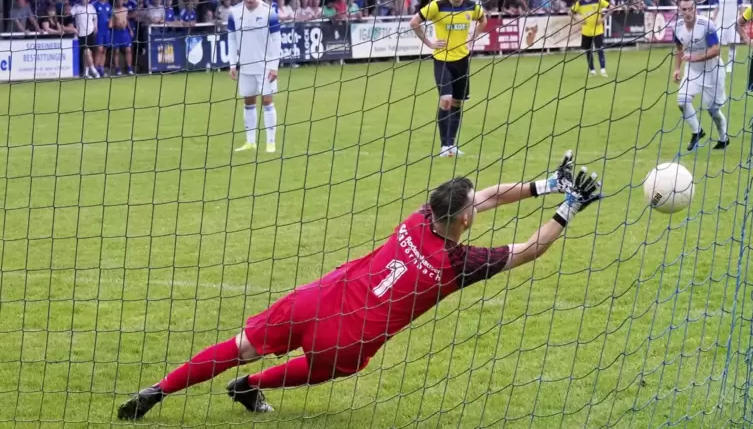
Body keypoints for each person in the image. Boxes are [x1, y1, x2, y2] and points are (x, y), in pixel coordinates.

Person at [116, 150, 602, 420]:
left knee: (239, 344)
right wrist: (569, 205)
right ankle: (249, 387)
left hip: (314, 300)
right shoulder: (458, 262)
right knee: (323, 370)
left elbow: (487, 197)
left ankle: (159, 390)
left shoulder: (417, 219)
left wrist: (545, 184)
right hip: (349, 340)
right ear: (466, 221)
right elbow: (528, 249)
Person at [409, 0, 487, 158]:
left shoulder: (472, 6)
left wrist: (473, 37)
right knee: (446, 99)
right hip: (442, 60)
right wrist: (429, 43)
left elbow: (483, 20)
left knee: (458, 103)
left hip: (462, 60)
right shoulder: (437, 6)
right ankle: (444, 146)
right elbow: (414, 23)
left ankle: (452, 145)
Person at [227, 0, 281, 154]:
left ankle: (271, 143)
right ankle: (250, 142)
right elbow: (232, 39)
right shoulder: (234, 12)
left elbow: (276, 39)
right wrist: (232, 64)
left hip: (265, 66)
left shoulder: (268, 11)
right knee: (248, 102)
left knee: (267, 101)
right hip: (246, 67)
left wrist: (274, 65)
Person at [674, 0, 729, 151]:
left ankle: (723, 138)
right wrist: (677, 68)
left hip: (713, 71)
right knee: (682, 100)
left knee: (712, 110)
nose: (687, 12)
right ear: (680, 10)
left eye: (690, 8)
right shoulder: (677, 27)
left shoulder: (706, 25)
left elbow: (716, 49)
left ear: (695, 8)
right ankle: (697, 131)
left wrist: (695, 57)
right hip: (692, 71)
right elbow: (679, 49)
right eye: (683, 9)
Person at [570, 0, 610, 77]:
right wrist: (578, 20)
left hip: (598, 30)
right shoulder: (580, 3)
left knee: (600, 50)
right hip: (586, 31)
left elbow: (611, 8)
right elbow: (570, 12)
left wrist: (603, 18)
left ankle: (603, 70)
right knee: (588, 51)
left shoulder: (598, 0)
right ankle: (592, 70)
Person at [713, 0, 743, 73]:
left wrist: (741, 19)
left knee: (732, 44)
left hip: (733, 23)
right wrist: (713, 19)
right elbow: (716, 7)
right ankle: (718, 63)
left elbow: (741, 7)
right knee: (716, 43)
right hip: (721, 23)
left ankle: (729, 65)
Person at [71, 0, 99, 79]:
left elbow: (95, 17)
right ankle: (93, 69)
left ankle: (86, 72)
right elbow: (69, 17)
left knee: (87, 53)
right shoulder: (76, 7)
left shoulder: (91, 7)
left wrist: (95, 26)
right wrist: (73, 28)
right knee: (86, 52)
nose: (85, 0)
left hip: (90, 32)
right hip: (81, 33)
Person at [109, 0, 134, 76]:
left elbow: (126, 20)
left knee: (128, 50)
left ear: (123, 1)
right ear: (116, 1)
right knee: (116, 51)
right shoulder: (113, 10)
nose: (120, 1)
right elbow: (110, 23)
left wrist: (130, 30)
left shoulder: (125, 9)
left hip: (125, 32)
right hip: (116, 32)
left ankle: (129, 68)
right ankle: (117, 69)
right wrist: (116, 25)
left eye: (121, 0)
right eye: (118, 0)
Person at [92, 0, 112, 77]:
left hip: (106, 30)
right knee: (99, 50)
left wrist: (110, 23)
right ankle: (95, 69)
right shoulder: (95, 5)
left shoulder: (108, 5)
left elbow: (111, 17)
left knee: (104, 50)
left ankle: (101, 68)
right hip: (99, 30)